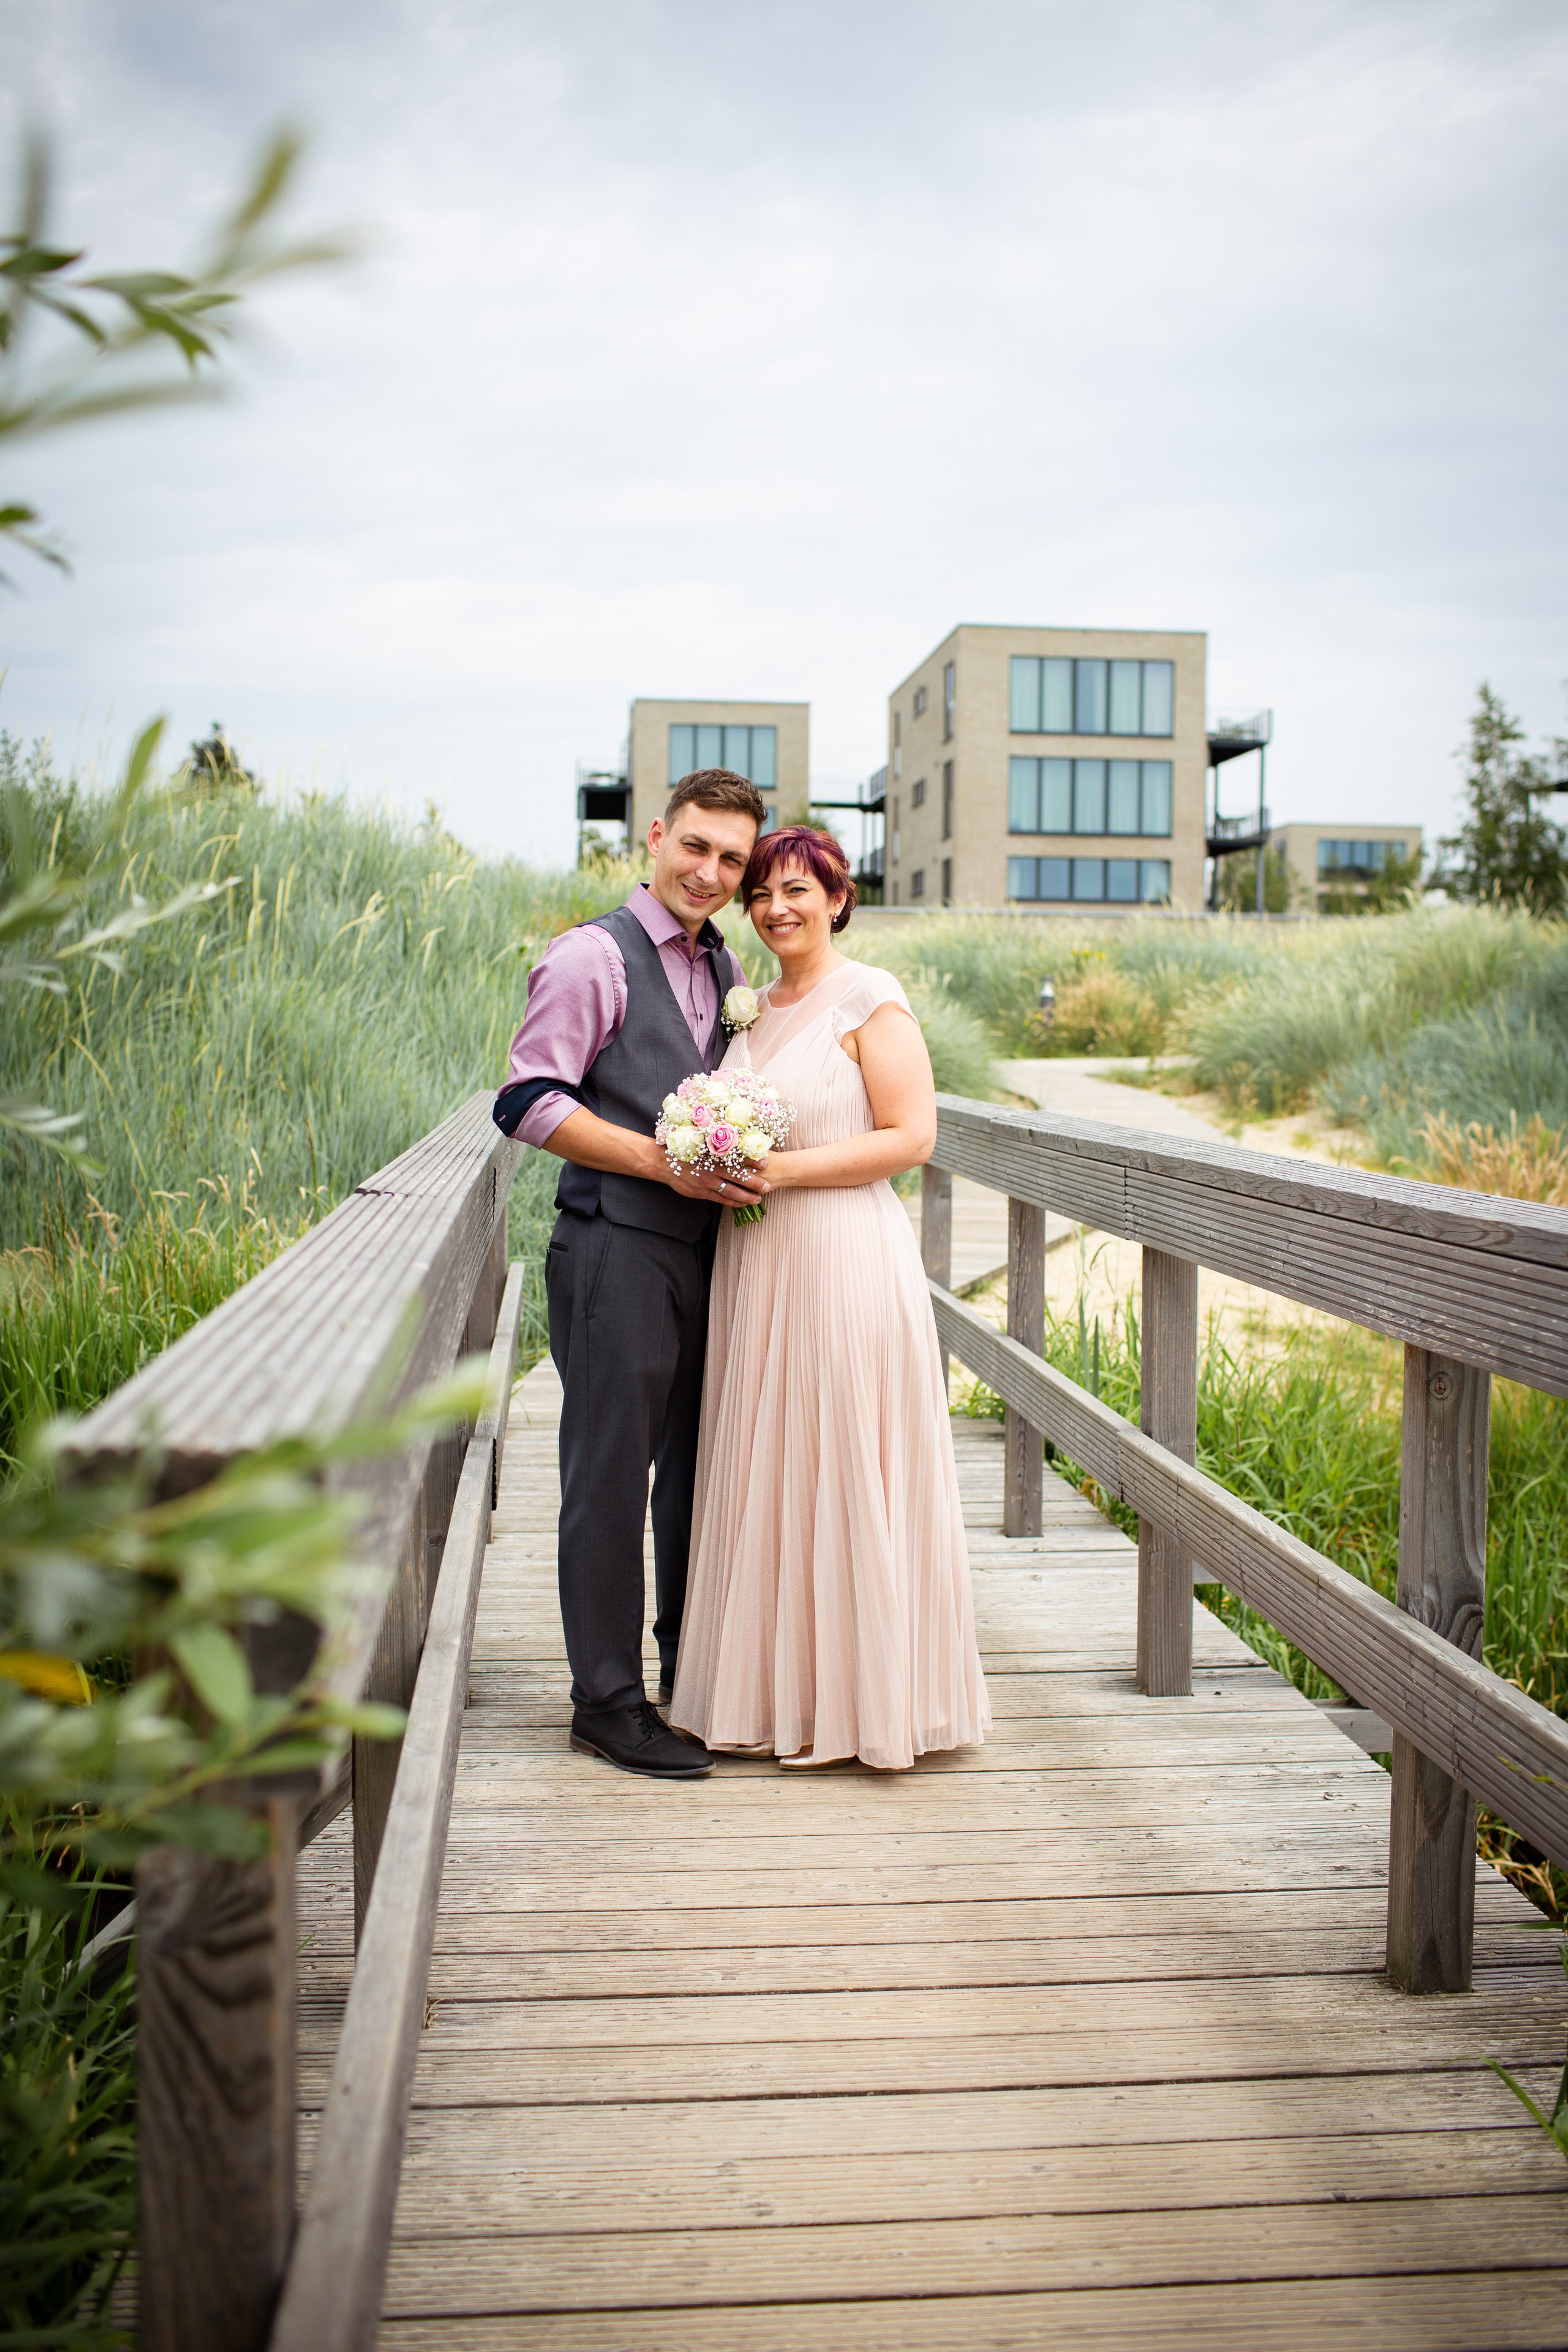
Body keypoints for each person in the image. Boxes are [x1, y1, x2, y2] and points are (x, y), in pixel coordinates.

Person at [669, 826, 990, 1770]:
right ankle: (776, 1695)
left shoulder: (871, 998)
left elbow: (913, 1137)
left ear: (838, 899)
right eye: (762, 892)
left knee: (844, 1451)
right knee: (771, 1460)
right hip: (757, 1264)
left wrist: (781, 1168)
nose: (777, 908)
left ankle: (870, 1701)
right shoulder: (746, 1011)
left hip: (845, 1254)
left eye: (798, 890)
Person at [494, 769, 769, 1780]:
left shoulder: (725, 963)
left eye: (731, 859)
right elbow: (526, 1100)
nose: (710, 872)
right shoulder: (591, 957)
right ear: (657, 836)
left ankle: (684, 1672)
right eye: (695, 847)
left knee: (695, 1471)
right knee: (609, 1478)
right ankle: (605, 1702)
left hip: (707, 1256)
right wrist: (662, 1162)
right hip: (614, 1247)